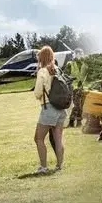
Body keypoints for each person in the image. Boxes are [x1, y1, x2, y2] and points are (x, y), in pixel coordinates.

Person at [32, 46, 68, 174]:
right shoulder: (57, 69)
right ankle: (59, 165)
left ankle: (43, 166)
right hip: (61, 109)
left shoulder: (42, 71)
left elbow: (37, 93)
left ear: (41, 58)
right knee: (58, 139)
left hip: (49, 108)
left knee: (38, 138)